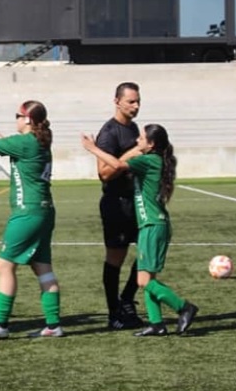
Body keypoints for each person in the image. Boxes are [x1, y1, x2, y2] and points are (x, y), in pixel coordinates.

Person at [0, 98, 63, 340]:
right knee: (43, 267)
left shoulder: (26, 142)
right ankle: (53, 324)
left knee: (4, 265)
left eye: (18, 115)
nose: (16, 119)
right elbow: (5, 143)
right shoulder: (36, 140)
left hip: (27, 211)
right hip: (44, 210)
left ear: (28, 119)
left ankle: (0, 325)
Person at [82, 124, 198, 336]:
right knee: (148, 277)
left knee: (143, 280)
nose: (137, 141)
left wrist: (93, 148)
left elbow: (116, 165)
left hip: (152, 226)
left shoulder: (149, 161)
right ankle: (156, 323)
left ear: (151, 144)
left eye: (142, 139)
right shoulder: (154, 160)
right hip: (152, 225)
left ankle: (184, 307)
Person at [93, 82, 144, 330]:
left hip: (136, 202)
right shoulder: (109, 132)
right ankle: (114, 313)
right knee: (116, 257)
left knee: (148, 251)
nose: (135, 106)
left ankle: (126, 300)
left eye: (138, 101)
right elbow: (103, 172)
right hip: (116, 204)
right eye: (131, 101)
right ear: (117, 101)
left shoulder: (134, 128)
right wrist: (133, 153)